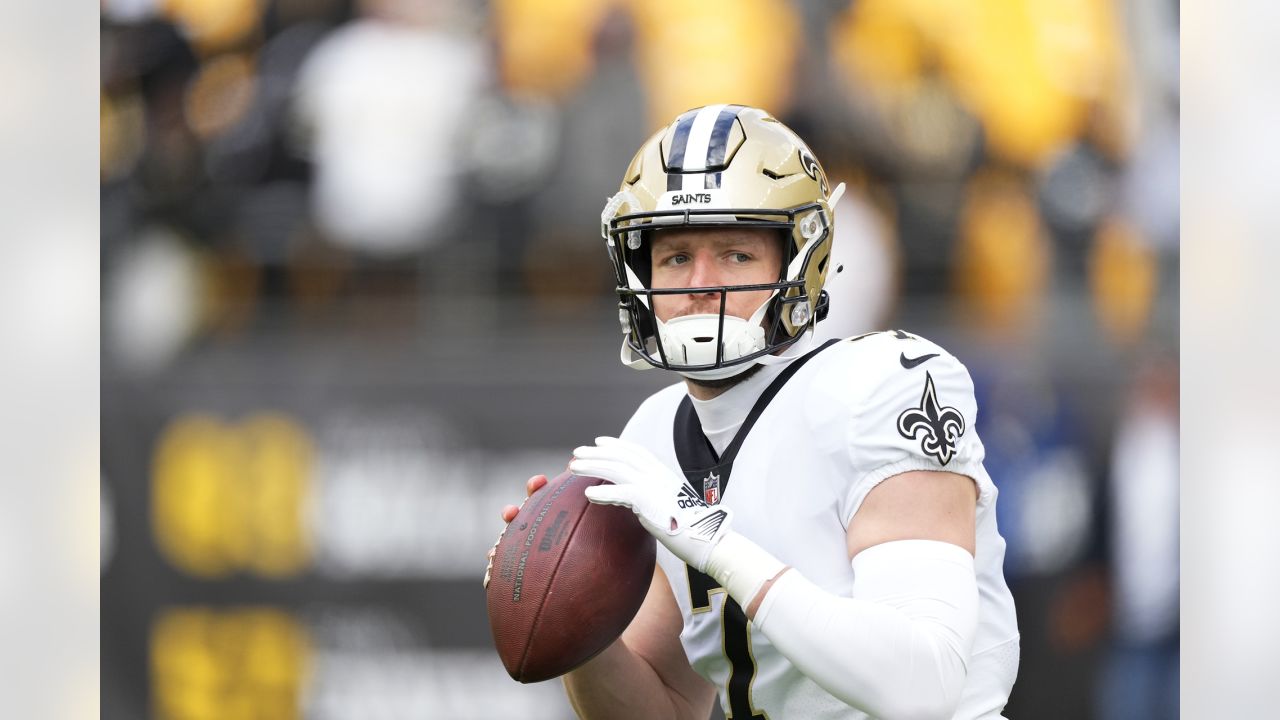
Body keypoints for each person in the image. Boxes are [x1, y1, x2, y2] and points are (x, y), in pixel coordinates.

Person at [488, 104, 1020, 719]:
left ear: (800, 262)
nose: (701, 282)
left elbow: (922, 688)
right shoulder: (654, 435)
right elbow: (662, 708)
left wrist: (710, 538)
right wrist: (571, 616)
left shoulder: (882, 385)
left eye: (736, 254)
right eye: (676, 256)